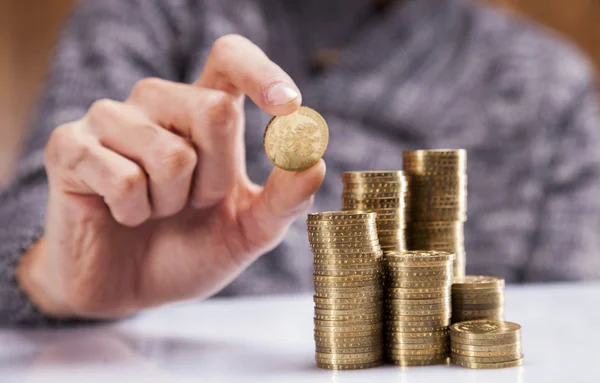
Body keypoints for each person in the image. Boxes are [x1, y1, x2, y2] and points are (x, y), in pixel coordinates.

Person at [1, 0, 599, 325]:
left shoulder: (550, 88)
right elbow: (29, 224)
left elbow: (572, 340)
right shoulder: (142, 14)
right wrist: (53, 277)